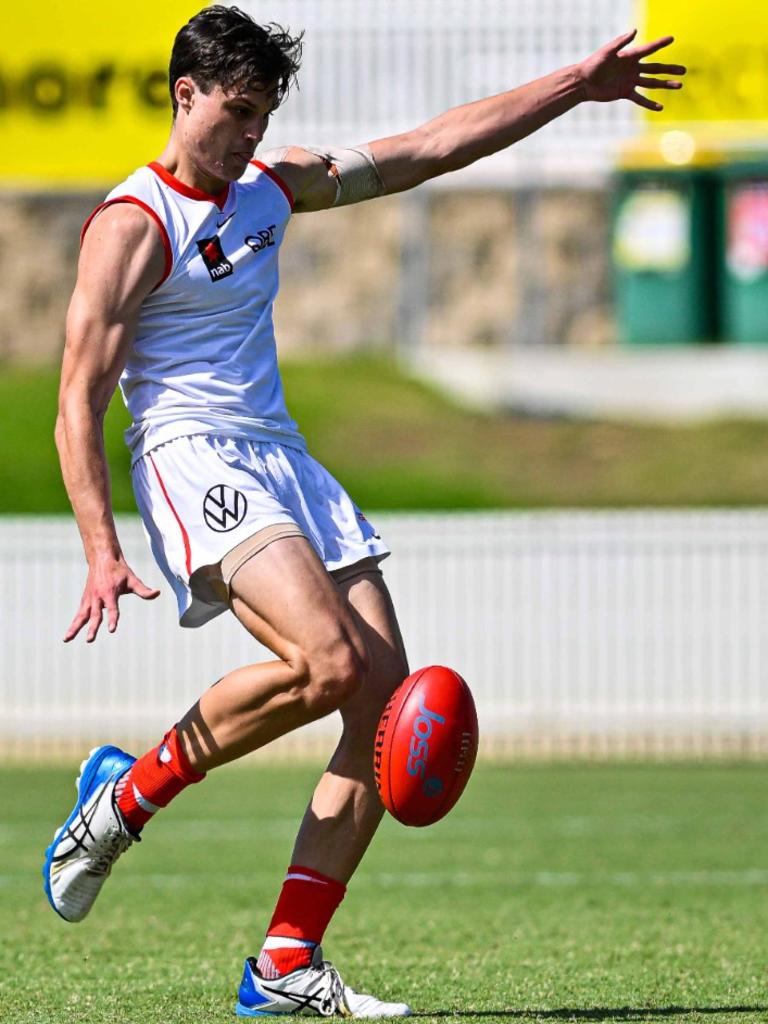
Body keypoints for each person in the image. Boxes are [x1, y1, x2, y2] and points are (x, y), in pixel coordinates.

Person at [43, 6, 685, 1017]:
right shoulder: (132, 226)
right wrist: (99, 548)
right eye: (239, 111)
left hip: (283, 456)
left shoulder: (273, 188)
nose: (252, 134)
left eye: (265, 115)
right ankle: (123, 798)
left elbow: (429, 146)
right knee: (330, 660)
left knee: (381, 706)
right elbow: (75, 402)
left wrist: (577, 86)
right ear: (186, 94)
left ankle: (284, 961)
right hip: (191, 453)